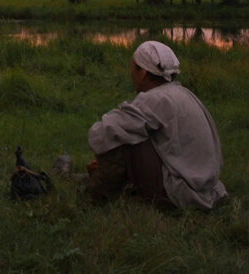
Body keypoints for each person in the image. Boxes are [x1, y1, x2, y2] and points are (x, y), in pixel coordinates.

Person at [85, 40, 227, 210]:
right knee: (131, 131)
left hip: (183, 193)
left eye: (132, 67)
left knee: (123, 138)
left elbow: (100, 134)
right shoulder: (184, 94)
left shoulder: (156, 99)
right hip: (205, 189)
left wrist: (104, 158)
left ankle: (95, 197)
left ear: (143, 73)